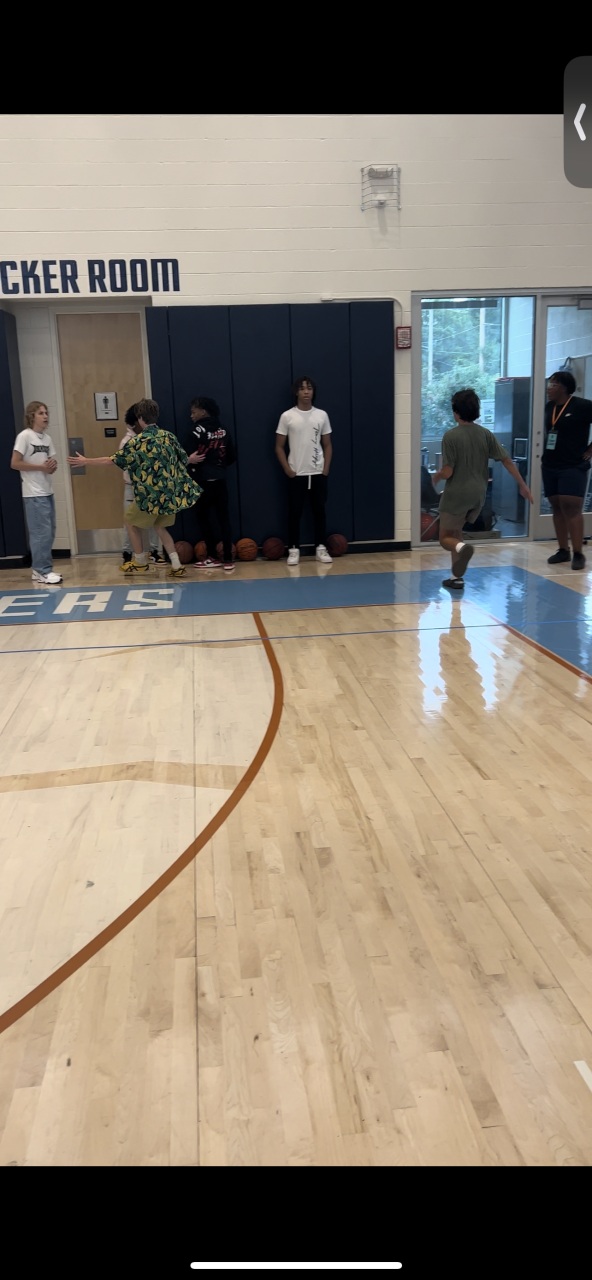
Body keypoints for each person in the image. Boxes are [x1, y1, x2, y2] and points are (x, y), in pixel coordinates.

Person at [67, 398, 202, 578]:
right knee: (160, 528)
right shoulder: (169, 437)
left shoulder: (138, 442)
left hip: (149, 494)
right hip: (169, 493)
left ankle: (140, 561)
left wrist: (86, 461)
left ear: (140, 418)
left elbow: (111, 460)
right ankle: (176, 565)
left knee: (129, 522)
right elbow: (184, 459)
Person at [433, 388, 533, 589]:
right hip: (478, 495)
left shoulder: (450, 436)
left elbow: (449, 472)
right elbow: (506, 460)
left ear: (456, 412)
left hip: (456, 495)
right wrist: (523, 485)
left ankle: (463, 549)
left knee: (445, 538)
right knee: (457, 531)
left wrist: (437, 475)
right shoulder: (486, 434)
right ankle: (456, 578)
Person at [275, 376, 333, 566]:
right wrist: (288, 470)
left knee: (319, 511)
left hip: (317, 473)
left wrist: (325, 469)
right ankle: (293, 549)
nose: (306, 392)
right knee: (294, 513)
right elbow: (279, 447)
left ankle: (321, 548)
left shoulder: (322, 415)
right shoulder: (287, 416)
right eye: (302, 388)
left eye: (309, 388)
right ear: (296, 392)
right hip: (296, 474)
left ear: (313, 392)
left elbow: (327, 444)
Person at [542, 370, 592, 570]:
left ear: (563, 387)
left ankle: (578, 553)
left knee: (571, 506)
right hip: (550, 463)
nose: (549, 388)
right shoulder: (549, 407)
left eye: (552, 384)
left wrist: (591, 449)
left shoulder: (582, 405)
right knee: (556, 505)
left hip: (573, 464)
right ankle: (563, 550)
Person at [181, 397, 236, 572]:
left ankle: (212, 557)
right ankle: (228, 559)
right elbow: (232, 456)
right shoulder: (224, 429)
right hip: (220, 480)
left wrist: (191, 461)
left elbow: (184, 455)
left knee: (203, 519)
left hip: (202, 481)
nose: (191, 416)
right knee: (224, 519)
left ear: (203, 411)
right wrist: (218, 466)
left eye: (193, 412)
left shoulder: (196, 431)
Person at [11, 401, 62, 584]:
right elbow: (15, 463)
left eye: (46, 413)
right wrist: (40, 467)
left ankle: (39, 569)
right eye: (41, 413)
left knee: (49, 532)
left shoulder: (46, 439)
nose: (45, 416)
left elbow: (48, 464)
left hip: (47, 490)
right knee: (41, 533)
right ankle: (42, 570)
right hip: (33, 493)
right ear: (32, 416)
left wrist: (51, 466)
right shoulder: (25, 436)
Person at [120, 405, 164, 565]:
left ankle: (154, 551)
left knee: (154, 520)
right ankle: (127, 553)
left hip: (151, 486)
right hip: (132, 487)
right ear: (136, 422)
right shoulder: (127, 441)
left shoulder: (152, 437)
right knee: (129, 521)